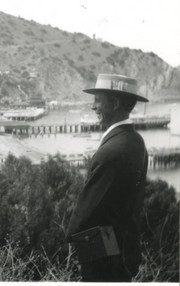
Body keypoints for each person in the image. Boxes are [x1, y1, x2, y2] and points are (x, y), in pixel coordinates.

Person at [67, 74, 149, 282]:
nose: (93, 107)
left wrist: (68, 237)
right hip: (124, 253)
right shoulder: (136, 141)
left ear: (114, 103)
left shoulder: (111, 152)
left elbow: (84, 215)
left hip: (103, 258)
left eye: (97, 100)